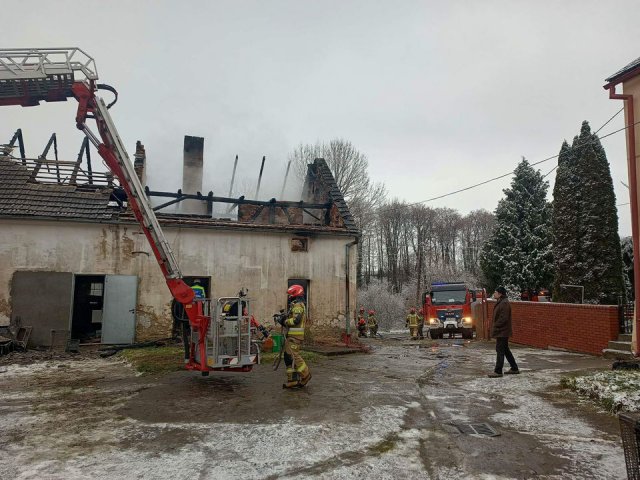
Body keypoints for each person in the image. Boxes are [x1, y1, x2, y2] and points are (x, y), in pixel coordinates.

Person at [278, 284, 311, 388]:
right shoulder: (295, 305)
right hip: (291, 336)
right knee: (288, 358)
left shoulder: (297, 306)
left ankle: (306, 375)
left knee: (294, 356)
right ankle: (292, 379)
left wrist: (284, 321)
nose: (289, 297)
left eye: (290, 295)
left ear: (295, 294)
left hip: (295, 337)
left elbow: (295, 321)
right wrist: (282, 318)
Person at [488, 286, 520, 378]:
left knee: (500, 350)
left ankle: (498, 371)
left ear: (500, 294)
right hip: (502, 331)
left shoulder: (504, 303)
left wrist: (496, 325)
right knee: (505, 350)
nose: (494, 294)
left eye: (495, 292)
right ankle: (514, 368)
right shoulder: (501, 302)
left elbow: (504, 318)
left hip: (502, 331)